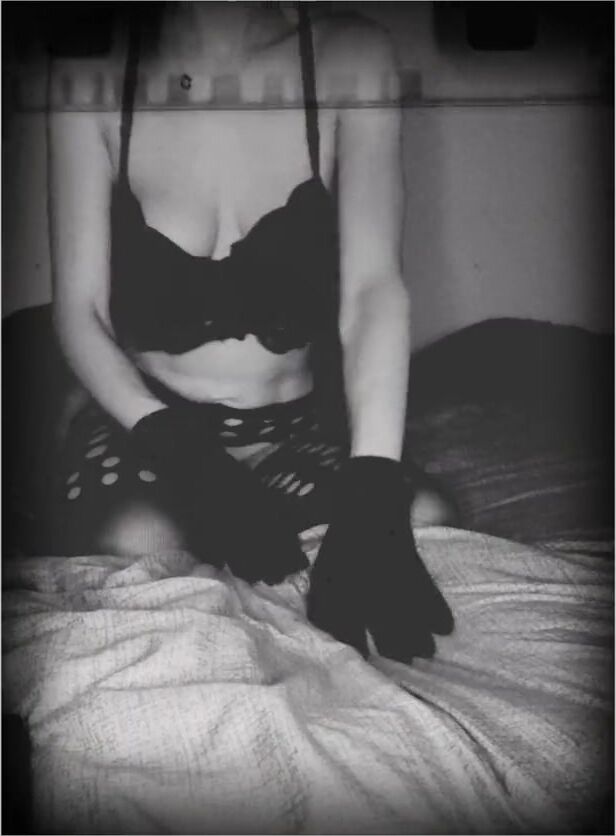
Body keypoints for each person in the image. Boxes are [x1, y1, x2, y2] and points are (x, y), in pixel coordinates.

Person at [48, 1, 456, 663]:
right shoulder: (91, 70)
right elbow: (79, 310)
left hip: (294, 428)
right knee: (137, 539)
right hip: (147, 429)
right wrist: (179, 449)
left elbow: (373, 290)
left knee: (427, 518)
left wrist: (374, 483)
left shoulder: (351, 54)